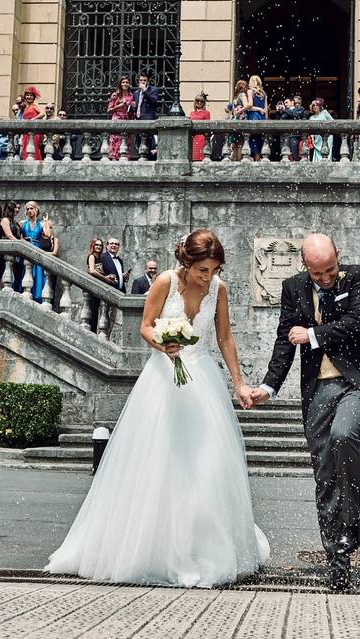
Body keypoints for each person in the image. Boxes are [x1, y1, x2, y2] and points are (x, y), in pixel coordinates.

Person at [46, 230, 269, 586]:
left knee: (207, 464)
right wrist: (163, 345)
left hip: (203, 380)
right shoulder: (165, 281)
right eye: (202, 270)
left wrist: (240, 383)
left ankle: (206, 548)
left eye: (213, 270)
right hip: (163, 379)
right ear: (187, 262)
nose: (208, 277)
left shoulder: (219, 289)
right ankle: (151, 548)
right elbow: (145, 327)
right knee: (159, 462)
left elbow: (224, 337)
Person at [250, 233, 360, 591]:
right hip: (318, 391)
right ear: (304, 266)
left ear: (338, 257)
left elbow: (358, 324)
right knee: (324, 474)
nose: (325, 278)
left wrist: (310, 334)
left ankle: (351, 520)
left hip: (355, 383)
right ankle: (336, 559)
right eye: (318, 273)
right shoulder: (294, 288)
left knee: (344, 436)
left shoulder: (357, 277)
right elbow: (284, 339)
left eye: (330, 270)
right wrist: (268, 386)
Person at [99, 237, 130, 335]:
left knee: (112, 318)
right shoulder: (103, 257)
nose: (114, 245)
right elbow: (98, 273)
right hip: (107, 292)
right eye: (111, 243)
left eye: (116, 244)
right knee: (104, 317)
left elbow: (116, 274)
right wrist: (106, 277)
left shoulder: (119, 260)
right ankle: (102, 337)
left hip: (118, 293)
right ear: (107, 245)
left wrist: (122, 276)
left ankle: (107, 337)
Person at [84, 237, 113, 332]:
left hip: (98, 285)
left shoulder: (100, 258)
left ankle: (93, 331)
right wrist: (105, 279)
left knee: (96, 310)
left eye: (100, 245)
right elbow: (92, 271)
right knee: (92, 310)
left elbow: (100, 271)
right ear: (93, 246)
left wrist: (109, 276)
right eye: (96, 245)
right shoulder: (92, 256)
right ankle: (91, 331)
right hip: (92, 285)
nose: (98, 247)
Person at [21, 201, 46, 302]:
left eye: (31, 208)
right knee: (26, 272)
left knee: (37, 272)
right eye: (27, 209)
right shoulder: (22, 223)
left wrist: (46, 222)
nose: (29, 211)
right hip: (26, 249)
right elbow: (20, 238)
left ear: (36, 209)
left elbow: (48, 235)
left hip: (37, 248)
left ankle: (37, 297)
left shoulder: (42, 223)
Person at [131, 71, 160, 159]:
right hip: (139, 120)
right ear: (138, 81)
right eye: (141, 80)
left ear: (147, 81)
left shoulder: (153, 90)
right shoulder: (136, 93)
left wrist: (145, 90)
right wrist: (133, 106)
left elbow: (154, 101)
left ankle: (149, 158)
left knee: (148, 142)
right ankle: (142, 157)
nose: (142, 82)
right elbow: (137, 107)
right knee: (139, 141)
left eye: (144, 80)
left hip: (148, 119)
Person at [107, 75, 134, 161]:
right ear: (120, 84)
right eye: (123, 82)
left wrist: (133, 107)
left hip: (127, 119)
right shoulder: (115, 95)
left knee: (125, 140)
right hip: (116, 119)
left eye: (126, 82)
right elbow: (109, 110)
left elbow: (132, 111)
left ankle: (124, 158)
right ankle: (114, 158)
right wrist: (119, 106)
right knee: (115, 140)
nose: (125, 84)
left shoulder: (131, 96)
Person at [243, 75, 268, 160]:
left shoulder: (250, 91)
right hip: (262, 118)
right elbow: (266, 109)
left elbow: (250, 106)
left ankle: (254, 161)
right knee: (259, 139)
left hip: (253, 117)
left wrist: (258, 109)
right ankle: (258, 160)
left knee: (252, 139)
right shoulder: (264, 93)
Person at [2, 201, 24, 292]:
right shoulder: (5, 220)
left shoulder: (15, 222)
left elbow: (20, 237)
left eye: (19, 208)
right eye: (15, 207)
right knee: (5, 273)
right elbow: (9, 235)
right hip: (7, 251)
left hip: (15, 252)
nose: (17, 210)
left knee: (13, 274)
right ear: (10, 208)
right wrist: (21, 245)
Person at [225, 79, 248, 161]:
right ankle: (236, 161)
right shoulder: (238, 96)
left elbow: (246, 105)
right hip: (236, 120)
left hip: (240, 120)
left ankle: (237, 161)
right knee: (235, 143)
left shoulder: (242, 95)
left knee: (239, 143)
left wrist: (238, 111)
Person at [20, 86, 45, 161]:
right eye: (27, 95)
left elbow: (43, 113)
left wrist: (34, 119)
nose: (29, 97)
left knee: (33, 149)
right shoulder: (26, 106)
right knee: (25, 150)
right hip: (26, 132)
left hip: (33, 132)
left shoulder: (34, 105)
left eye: (31, 95)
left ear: (34, 97)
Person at [280, 96, 307, 160]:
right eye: (284, 103)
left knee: (295, 155)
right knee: (286, 155)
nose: (285, 104)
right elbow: (282, 119)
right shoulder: (286, 111)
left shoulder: (300, 108)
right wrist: (279, 112)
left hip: (295, 135)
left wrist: (284, 110)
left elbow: (295, 115)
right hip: (286, 136)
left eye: (286, 102)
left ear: (292, 102)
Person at [189, 93, 211, 162]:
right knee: (192, 157)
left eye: (201, 101)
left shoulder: (206, 113)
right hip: (193, 138)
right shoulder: (192, 113)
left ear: (204, 103)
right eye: (197, 100)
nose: (199, 103)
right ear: (195, 102)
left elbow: (208, 126)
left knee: (200, 158)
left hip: (201, 137)